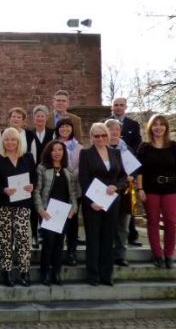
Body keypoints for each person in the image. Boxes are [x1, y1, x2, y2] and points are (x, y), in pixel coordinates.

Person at [0, 127, 36, 287]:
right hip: (2, 204)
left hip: (22, 203)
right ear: (2, 141)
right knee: (5, 239)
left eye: (13, 139)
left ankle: (24, 271)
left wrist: (32, 186)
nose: (10, 142)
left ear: (18, 141)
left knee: (23, 237)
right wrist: (3, 190)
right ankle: (6, 272)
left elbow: (34, 177)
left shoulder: (27, 157)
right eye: (7, 139)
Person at [137, 114, 176, 269]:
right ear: (150, 128)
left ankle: (169, 254)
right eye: (155, 124)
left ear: (166, 127)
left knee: (171, 222)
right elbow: (139, 171)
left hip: (171, 189)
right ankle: (157, 254)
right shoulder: (144, 147)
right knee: (152, 222)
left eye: (161, 124)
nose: (158, 127)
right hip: (150, 189)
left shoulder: (173, 146)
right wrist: (140, 188)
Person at [79, 123, 125, 286]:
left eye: (103, 135)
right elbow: (83, 179)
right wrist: (91, 201)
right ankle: (93, 275)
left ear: (108, 136)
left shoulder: (116, 153)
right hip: (93, 204)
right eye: (96, 136)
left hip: (111, 202)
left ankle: (107, 275)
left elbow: (123, 177)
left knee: (108, 239)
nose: (100, 139)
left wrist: (117, 186)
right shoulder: (86, 154)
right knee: (93, 239)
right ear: (91, 137)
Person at [33, 141, 79, 286]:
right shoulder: (42, 168)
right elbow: (37, 191)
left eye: (60, 150)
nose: (57, 152)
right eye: (53, 150)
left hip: (64, 212)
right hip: (48, 211)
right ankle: (44, 272)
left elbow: (73, 192)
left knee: (59, 243)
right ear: (49, 152)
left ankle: (56, 273)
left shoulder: (68, 169)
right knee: (49, 242)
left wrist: (74, 208)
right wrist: (40, 209)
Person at [110, 97, 143, 247]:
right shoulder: (105, 123)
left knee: (129, 208)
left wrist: (133, 170)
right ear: (112, 107)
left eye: (121, 105)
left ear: (125, 107)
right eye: (115, 105)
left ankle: (132, 236)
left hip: (128, 171)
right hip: (112, 175)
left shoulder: (133, 124)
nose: (118, 107)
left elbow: (137, 147)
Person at [105, 119, 136, 267]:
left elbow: (135, 170)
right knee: (108, 225)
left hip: (124, 192)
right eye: (111, 129)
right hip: (107, 191)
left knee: (123, 226)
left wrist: (132, 176)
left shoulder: (127, 149)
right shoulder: (101, 149)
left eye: (117, 129)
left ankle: (121, 255)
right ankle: (107, 254)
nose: (114, 132)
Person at [54, 118, 83, 266]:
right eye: (62, 127)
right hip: (58, 189)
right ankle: (57, 253)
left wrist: (71, 173)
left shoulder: (79, 147)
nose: (65, 129)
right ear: (57, 129)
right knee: (58, 223)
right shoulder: (54, 145)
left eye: (67, 127)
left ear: (72, 129)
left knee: (72, 223)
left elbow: (83, 166)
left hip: (74, 189)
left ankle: (71, 252)